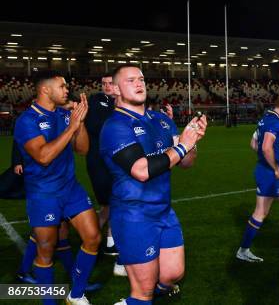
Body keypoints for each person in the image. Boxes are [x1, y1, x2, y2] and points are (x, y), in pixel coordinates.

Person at [99, 64, 206, 305]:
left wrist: (192, 141)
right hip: (133, 214)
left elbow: (186, 162)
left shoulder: (160, 120)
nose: (139, 83)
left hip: (163, 210)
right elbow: (141, 170)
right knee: (143, 291)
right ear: (115, 88)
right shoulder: (115, 126)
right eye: (130, 80)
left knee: (173, 274)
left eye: (141, 79)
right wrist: (180, 146)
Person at [14, 70, 101, 305]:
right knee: (46, 249)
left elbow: (82, 149)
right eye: (62, 86)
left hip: (70, 187)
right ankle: (48, 301)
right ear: (45, 90)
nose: (67, 90)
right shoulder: (27, 121)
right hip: (43, 193)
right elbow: (43, 156)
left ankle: (76, 294)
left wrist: (79, 123)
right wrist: (71, 128)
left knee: (93, 236)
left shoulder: (65, 114)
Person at [236, 92, 279, 262]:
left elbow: (253, 143)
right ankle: (243, 250)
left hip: (271, 171)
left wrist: (270, 162)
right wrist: (275, 167)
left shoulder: (265, 119)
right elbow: (264, 147)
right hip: (270, 172)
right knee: (261, 212)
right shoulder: (275, 123)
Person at [84, 73, 129, 278]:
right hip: (99, 161)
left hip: (116, 160)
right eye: (103, 83)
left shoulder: (119, 103)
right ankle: (101, 239)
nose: (106, 87)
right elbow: (97, 126)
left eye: (110, 83)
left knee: (110, 203)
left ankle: (105, 241)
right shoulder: (96, 102)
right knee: (112, 201)